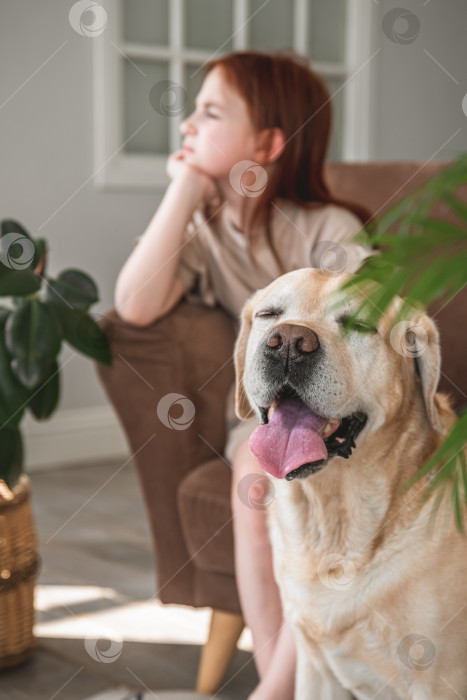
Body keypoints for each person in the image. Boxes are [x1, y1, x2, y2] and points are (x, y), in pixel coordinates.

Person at [115, 50, 370, 700]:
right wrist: (185, 188)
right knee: (253, 488)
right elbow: (134, 305)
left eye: (208, 111)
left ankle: (275, 693)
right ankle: (278, 686)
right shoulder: (204, 232)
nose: (186, 125)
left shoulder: (328, 228)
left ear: (266, 142)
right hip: (270, 419)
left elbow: (365, 337)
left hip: (342, 417)